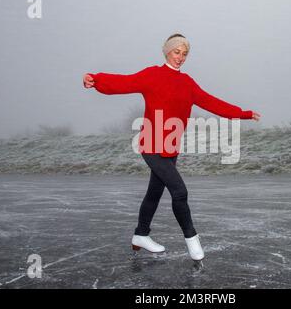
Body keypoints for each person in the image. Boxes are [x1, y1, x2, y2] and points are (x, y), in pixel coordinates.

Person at [83, 33, 260, 261]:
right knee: (179, 191)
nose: (181, 57)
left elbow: (212, 102)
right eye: (177, 52)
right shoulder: (152, 75)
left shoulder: (187, 83)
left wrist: (242, 114)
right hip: (151, 145)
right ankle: (192, 241)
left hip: (170, 147)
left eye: (185, 54)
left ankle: (141, 235)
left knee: (154, 193)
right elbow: (123, 82)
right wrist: (95, 79)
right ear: (167, 51)